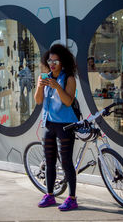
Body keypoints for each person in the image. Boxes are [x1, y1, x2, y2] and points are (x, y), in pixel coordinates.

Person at [34, 44, 78, 211]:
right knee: (50, 161)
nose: (52, 64)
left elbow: (68, 101)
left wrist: (57, 86)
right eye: (50, 60)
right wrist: (40, 85)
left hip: (65, 126)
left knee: (66, 161)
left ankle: (72, 198)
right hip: (49, 124)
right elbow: (38, 100)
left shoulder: (69, 78)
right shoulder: (45, 77)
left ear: (63, 62)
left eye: (56, 61)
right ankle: (50, 195)